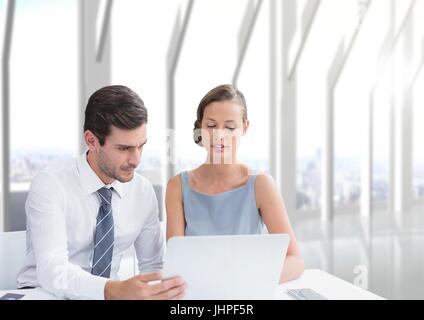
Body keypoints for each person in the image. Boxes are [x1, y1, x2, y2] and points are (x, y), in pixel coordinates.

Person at [17, 85, 186, 300]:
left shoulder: (142, 191)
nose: (136, 160)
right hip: (44, 294)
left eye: (141, 146)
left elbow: (152, 267)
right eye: (123, 148)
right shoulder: (51, 184)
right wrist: (112, 290)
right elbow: (53, 271)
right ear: (91, 140)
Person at [165, 84, 304, 283]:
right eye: (211, 125)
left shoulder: (261, 185)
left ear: (245, 127)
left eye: (230, 127)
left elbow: (295, 260)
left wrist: (250, 279)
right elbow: (176, 263)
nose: (219, 135)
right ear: (200, 127)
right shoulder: (177, 186)